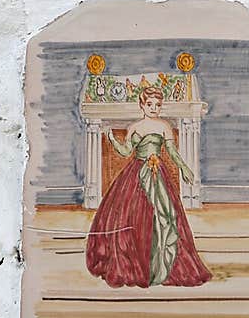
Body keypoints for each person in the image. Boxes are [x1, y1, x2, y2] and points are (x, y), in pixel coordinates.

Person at [86, 85, 211, 288]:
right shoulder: (134, 128)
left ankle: (161, 265)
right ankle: (138, 263)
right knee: (130, 215)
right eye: (150, 104)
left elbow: (171, 152)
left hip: (157, 174)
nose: (154, 108)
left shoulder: (164, 126)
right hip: (136, 173)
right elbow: (127, 152)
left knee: (166, 215)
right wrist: (111, 140)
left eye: (158, 105)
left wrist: (184, 168)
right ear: (142, 105)